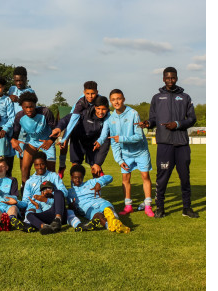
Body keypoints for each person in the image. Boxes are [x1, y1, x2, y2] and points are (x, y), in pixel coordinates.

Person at [138, 67, 198, 218]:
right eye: (167, 78)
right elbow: (153, 119)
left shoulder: (185, 97)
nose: (170, 80)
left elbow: (192, 119)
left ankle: (187, 208)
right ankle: (160, 208)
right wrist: (147, 123)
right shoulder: (157, 98)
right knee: (162, 177)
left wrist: (177, 124)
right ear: (163, 78)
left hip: (182, 144)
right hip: (164, 144)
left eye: (173, 78)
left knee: (185, 177)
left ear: (176, 78)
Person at [96, 89, 154, 217]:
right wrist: (119, 160)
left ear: (123, 99)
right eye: (113, 99)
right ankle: (128, 206)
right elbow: (114, 142)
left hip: (140, 152)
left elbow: (139, 136)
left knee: (145, 176)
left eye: (119, 98)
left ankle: (148, 205)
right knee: (125, 178)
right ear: (111, 102)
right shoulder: (111, 119)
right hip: (126, 154)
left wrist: (121, 138)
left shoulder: (133, 113)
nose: (116, 101)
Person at [20, 152, 87, 233]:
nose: (39, 167)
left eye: (42, 164)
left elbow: (64, 193)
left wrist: (51, 194)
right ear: (34, 165)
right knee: (29, 215)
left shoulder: (53, 176)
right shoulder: (29, 181)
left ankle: (60, 221)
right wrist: (16, 202)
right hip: (41, 212)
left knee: (59, 193)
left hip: (54, 209)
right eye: (37, 165)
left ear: (46, 163)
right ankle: (44, 227)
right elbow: (25, 201)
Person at [53, 96, 111, 178]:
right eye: (98, 108)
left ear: (108, 109)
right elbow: (67, 119)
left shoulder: (108, 120)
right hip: (78, 140)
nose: (101, 112)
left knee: (95, 168)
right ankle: (74, 189)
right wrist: (59, 127)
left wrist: (98, 163)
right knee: (75, 166)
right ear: (94, 107)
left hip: (93, 143)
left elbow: (106, 142)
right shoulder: (83, 112)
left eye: (104, 109)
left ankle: (97, 190)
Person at [67, 164, 130, 233]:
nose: (78, 180)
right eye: (75, 177)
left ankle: (114, 220)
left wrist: (99, 183)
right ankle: (111, 226)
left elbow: (109, 177)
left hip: (100, 202)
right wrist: (72, 206)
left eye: (80, 177)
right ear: (71, 177)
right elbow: (70, 207)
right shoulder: (69, 192)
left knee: (108, 210)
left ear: (83, 177)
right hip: (89, 209)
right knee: (99, 217)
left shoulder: (90, 183)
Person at [11, 92, 57, 187]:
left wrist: (50, 141)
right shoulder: (19, 116)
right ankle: (25, 191)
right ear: (22, 107)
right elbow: (15, 133)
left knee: (51, 170)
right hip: (32, 142)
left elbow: (56, 130)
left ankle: (51, 193)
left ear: (35, 105)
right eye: (26, 107)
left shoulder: (45, 112)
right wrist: (13, 141)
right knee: (25, 168)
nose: (29, 110)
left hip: (47, 141)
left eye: (31, 107)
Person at [6, 66, 35, 175]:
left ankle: (24, 186)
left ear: (26, 79)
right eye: (16, 80)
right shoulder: (11, 89)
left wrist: (19, 100)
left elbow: (31, 108)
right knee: (8, 159)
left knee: (23, 161)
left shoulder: (30, 91)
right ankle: (9, 186)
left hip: (23, 130)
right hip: (11, 128)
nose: (19, 83)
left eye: (21, 80)